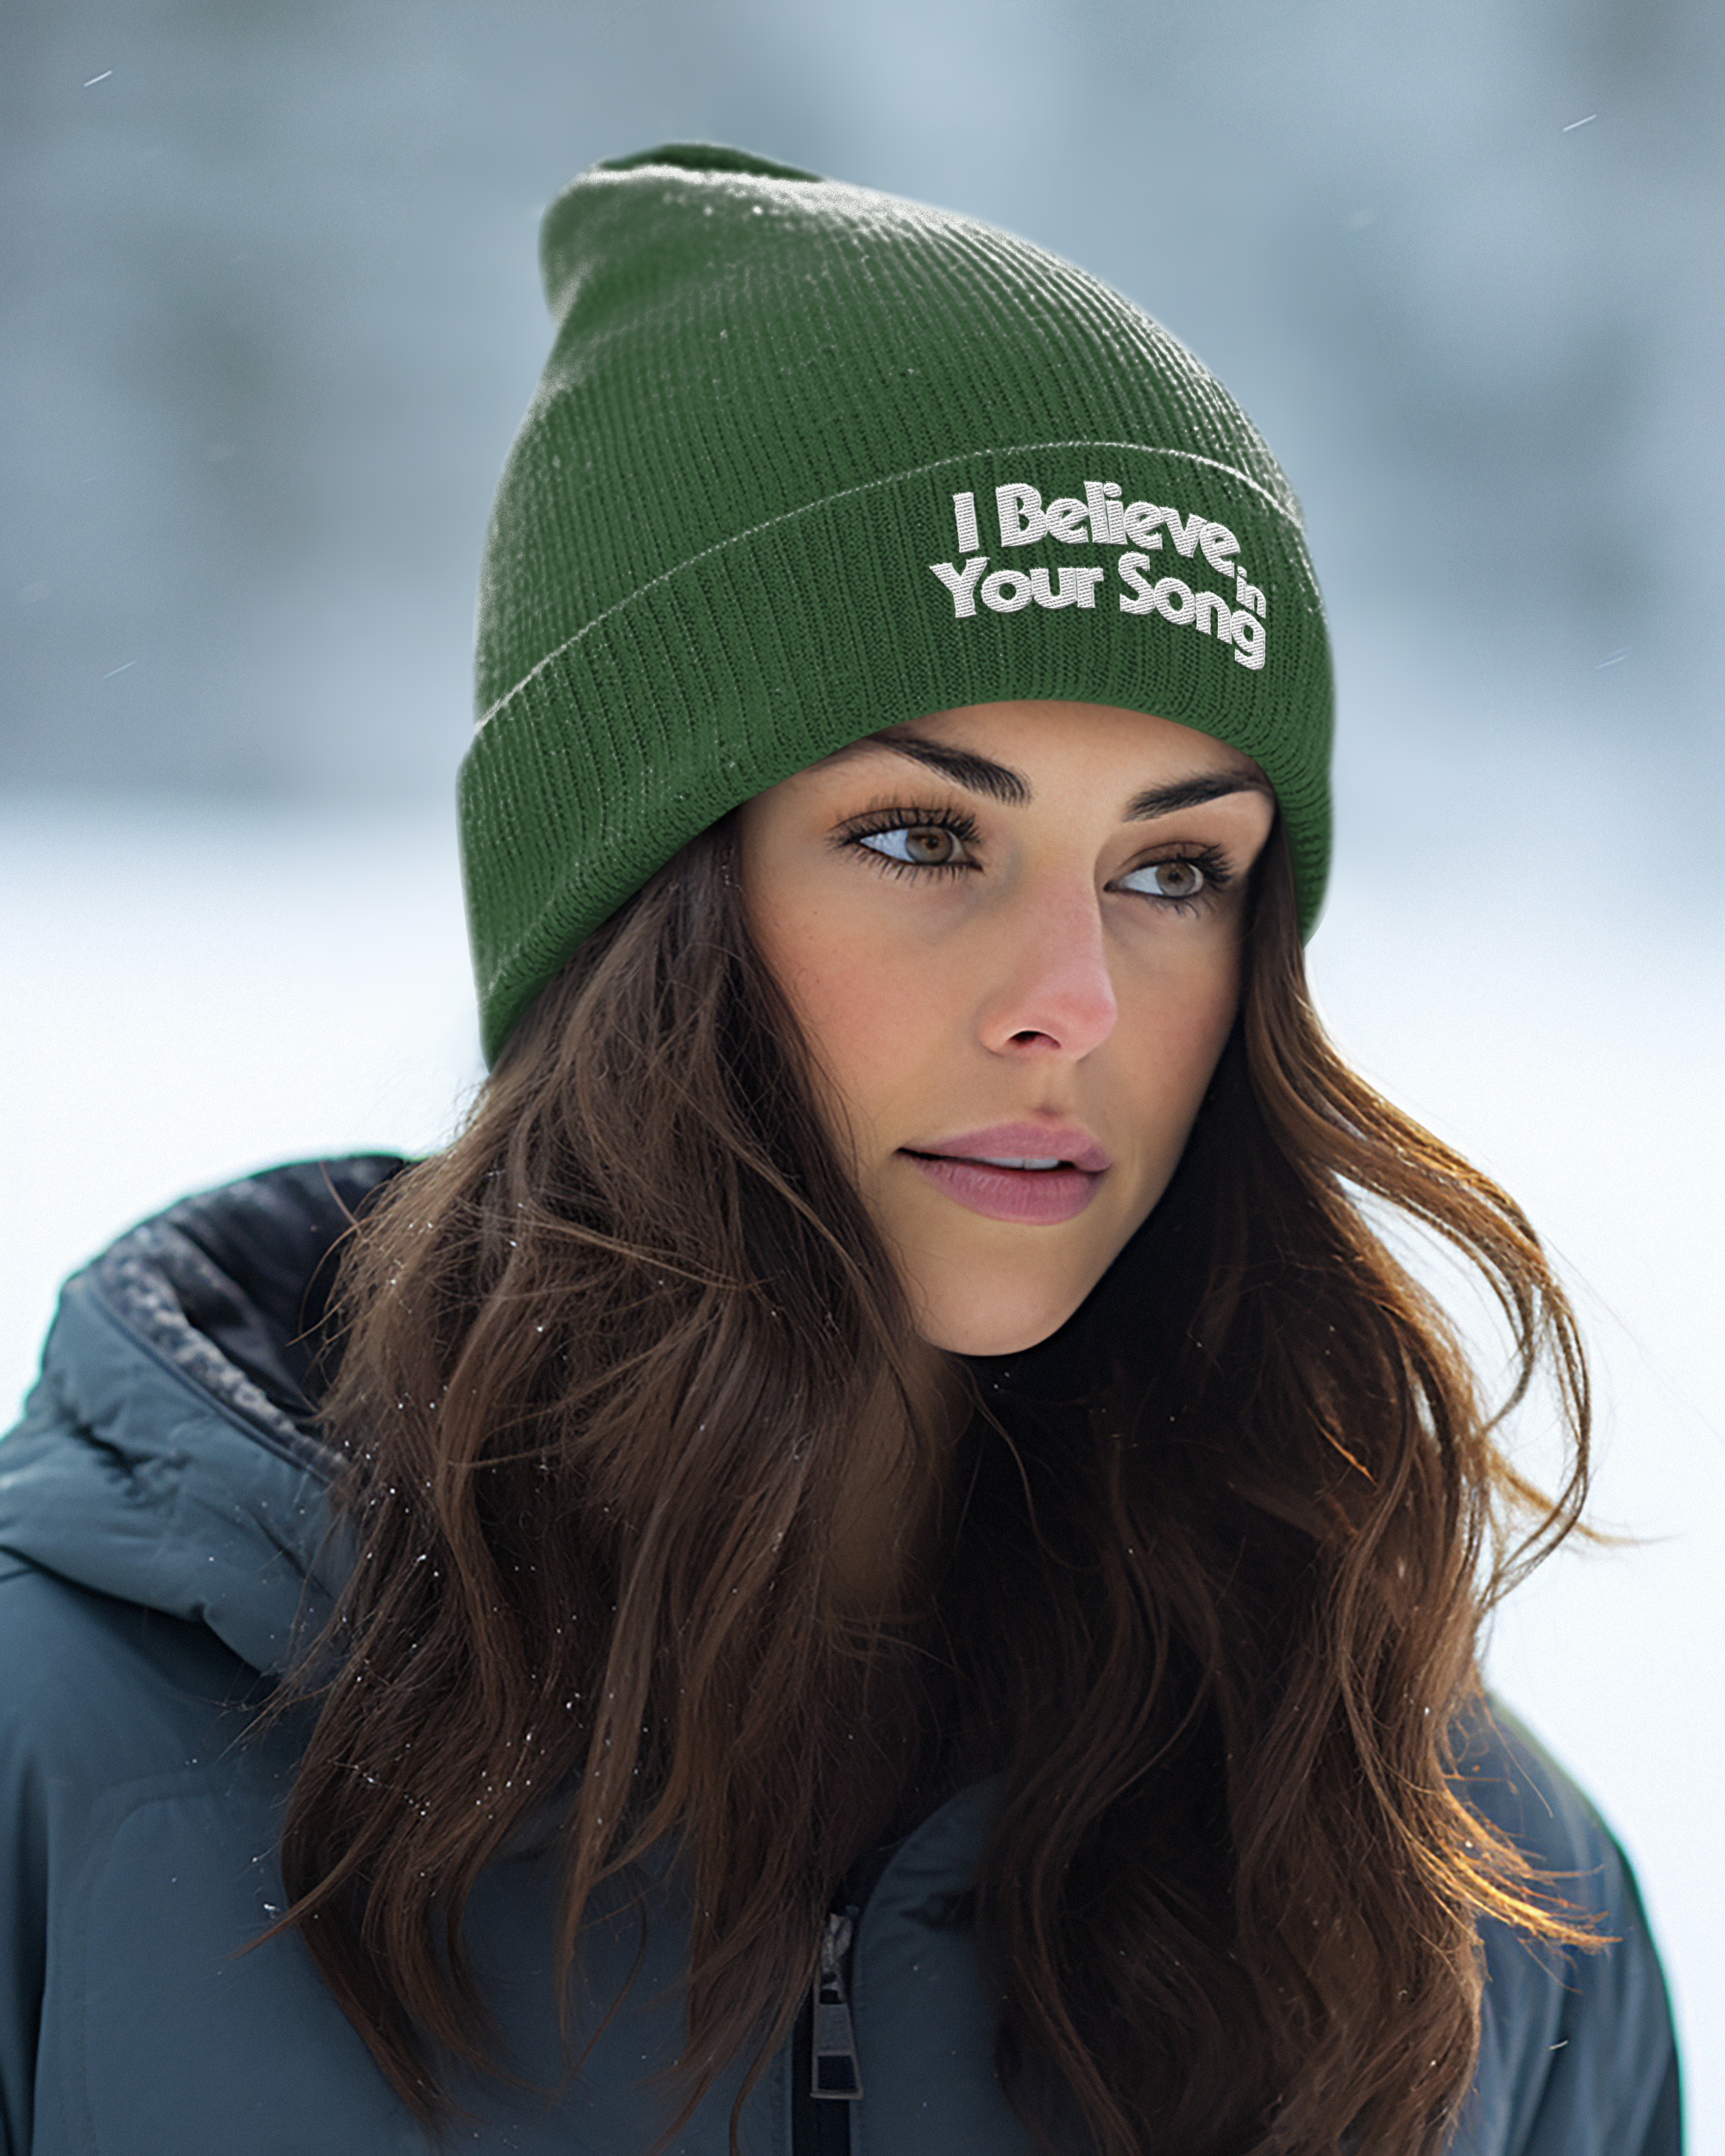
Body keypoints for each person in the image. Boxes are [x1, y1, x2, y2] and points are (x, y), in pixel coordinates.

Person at [0, 144, 1680, 2156]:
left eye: (1173, 865)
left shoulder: (1459, 1883)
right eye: (920, 835)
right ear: (633, 903)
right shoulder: (60, 1756)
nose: (1074, 993)